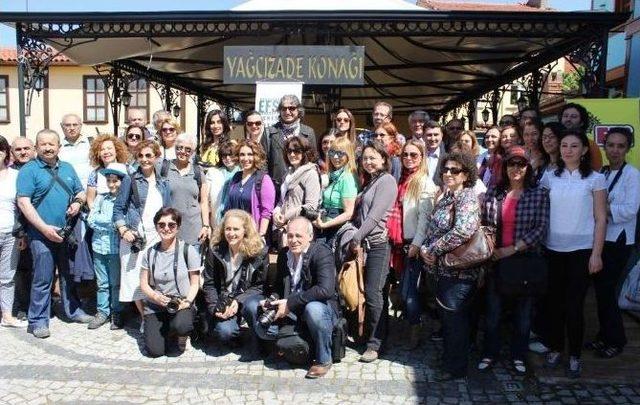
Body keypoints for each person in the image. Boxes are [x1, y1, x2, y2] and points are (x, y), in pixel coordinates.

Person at [539, 129, 606, 378]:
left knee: (574, 306)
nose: (568, 150)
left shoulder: (595, 180)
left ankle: (575, 354)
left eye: (574, 146)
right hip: (552, 249)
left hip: (581, 251)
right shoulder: (549, 176)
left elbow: (600, 219)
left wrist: (596, 254)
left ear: (585, 150)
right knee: (554, 304)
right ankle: (556, 348)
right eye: (564, 145)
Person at [478, 146, 549, 375]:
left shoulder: (538, 194)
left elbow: (540, 229)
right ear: (505, 166)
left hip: (524, 261)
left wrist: (512, 249)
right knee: (493, 313)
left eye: (521, 164)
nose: (516, 168)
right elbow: (482, 223)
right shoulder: (493, 192)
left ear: (528, 168)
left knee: (523, 315)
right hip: (496, 261)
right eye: (512, 164)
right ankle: (490, 353)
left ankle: (518, 355)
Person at [17, 129, 92, 338]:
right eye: (43, 144)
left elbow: (80, 191)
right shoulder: (29, 171)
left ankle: (73, 310)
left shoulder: (67, 168)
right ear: (36, 147)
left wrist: (77, 203)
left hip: (65, 233)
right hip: (41, 235)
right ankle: (38, 320)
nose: (48, 148)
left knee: (68, 275)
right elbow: (24, 202)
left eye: (52, 144)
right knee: (42, 277)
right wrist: (44, 229)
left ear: (59, 146)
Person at [420, 151, 488, 381]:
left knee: (455, 319)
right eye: (446, 169)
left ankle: (455, 368)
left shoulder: (467, 197)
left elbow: (463, 230)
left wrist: (433, 249)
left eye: (454, 170)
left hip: (459, 271)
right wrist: (424, 248)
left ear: (466, 174)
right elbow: (434, 227)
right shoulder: (448, 196)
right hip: (442, 270)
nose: (448, 173)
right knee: (449, 319)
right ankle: (451, 360)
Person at [248, 217, 339, 379]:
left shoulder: (322, 253)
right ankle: (281, 346)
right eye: (290, 236)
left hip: (320, 309)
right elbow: (278, 287)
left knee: (314, 309)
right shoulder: (284, 255)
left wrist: (290, 303)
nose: (293, 240)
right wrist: (272, 299)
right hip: (291, 311)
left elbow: (325, 290)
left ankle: (323, 359)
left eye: (298, 236)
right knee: (253, 307)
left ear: (310, 237)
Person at [588, 127, 640, 359]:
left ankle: (616, 340)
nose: (615, 150)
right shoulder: (604, 172)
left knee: (608, 292)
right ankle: (604, 335)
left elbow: (630, 210)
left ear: (628, 148)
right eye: (611, 145)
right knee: (600, 292)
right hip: (600, 239)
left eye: (621, 146)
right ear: (605, 147)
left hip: (618, 241)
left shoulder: (633, 175)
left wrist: (602, 207)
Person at [113, 140, 172, 330]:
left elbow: (168, 211)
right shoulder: (130, 179)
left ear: (156, 157)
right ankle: (145, 318)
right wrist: (124, 230)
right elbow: (118, 209)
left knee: (153, 278)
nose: (145, 159)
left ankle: (155, 316)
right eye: (141, 156)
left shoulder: (163, 183)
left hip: (156, 237)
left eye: (149, 155)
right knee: (134, 279)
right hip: (134, 237)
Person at [348, 141, 397, 363]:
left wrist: (356, 237)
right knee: (366, 293)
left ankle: (376, 343)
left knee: (374, 294)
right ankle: (367, 335)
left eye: (373, 157)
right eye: (365, 158)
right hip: (366, 245)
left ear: (384, 159)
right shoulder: (370, 181)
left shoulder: (387, 181)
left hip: (378, 244)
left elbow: (375, 216)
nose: (368, 162)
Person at [388, 140, 437, 349]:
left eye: (414, 155)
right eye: (405, 155)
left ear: (422, 157)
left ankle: (416, 329)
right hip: (399, 243)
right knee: (404, 290)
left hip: (414, 246)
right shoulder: (402, 180)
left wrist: (416, 245)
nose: (408, 158)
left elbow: (425, 220)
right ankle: (410, 324)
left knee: (409, 293)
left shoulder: (424, 182)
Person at [139, 208, 200, 357]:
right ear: (156, 227)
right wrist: (155, 297)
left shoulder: (188, 250)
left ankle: (181, 333)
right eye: (162, 225)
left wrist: (187, 301)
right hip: (157, 305)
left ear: (178, 227)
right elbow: (143, 284)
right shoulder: (150, 252)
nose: (166, 228)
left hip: (181, 304)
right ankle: (164, 330)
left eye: (171, 225)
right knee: (155, 351)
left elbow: (195, 283)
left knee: (182, 325)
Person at [202, 209, 268, 345]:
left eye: (236, 229)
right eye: (228, 229)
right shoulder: (215, 251)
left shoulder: (258, 252)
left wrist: (238, 301)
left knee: (251, 306)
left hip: (247, 298)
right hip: (224, 300)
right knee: (224, 332)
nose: (231, 234)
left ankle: (258, 339)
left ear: (245, 230)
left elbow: (259, 286)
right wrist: (216, 308)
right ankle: (235, 332)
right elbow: (209, 284)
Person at [86, 164, 127, 330]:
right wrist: (111, 224)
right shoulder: (101, 198)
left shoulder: (124, 200)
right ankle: (102, 311)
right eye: (109, 181)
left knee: (115, 282)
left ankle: (117, 311)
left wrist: (107, 222)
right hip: (99, 246)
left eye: (115, 181)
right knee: (102, 282)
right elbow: (91, 219)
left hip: (115, 248)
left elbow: (122, 223)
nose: (112, 184)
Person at [162, 132, 211, 246]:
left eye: (188, 149)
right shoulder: (165, 168)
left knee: (193, 263)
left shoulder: (198, 171)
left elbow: (203, 201)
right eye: (179, 148)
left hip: (193, 230)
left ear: (193, 152)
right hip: (169, 228)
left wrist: (206, 226)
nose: (183, 151)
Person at [272, 136, 322, 244]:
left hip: (301, 229)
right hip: (285, 228)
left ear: (305, 152)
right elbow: (282, 200)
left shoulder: (311, 173)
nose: (292, 155)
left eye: (297, 151)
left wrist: (286, 216)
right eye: (289, 151)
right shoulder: (288, 174)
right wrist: (276, 213)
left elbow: (311, 206)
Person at [0, 136, 27, 328]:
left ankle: (7, 315)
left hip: (10, 232)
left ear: (5, 153)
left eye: (0, 150)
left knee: (7, 277)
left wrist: (22, 233)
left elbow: (22, 206)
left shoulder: (16, 176)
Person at [224, 140, 276, 239]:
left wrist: (261, 235)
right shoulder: (236, 177)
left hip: (252, 236)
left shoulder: (263, 179)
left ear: (256, 156)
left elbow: (266, 212)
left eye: (250, 154)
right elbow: (228, 207)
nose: (245, 158)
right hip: (234, 235)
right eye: (242, 154)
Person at [313, 137, 359, 247]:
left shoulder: (347, 178)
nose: (335, 157)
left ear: (349, 155)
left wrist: (325, 225)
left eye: (340, 153)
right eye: (332, 152)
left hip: (336, 229)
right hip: (325, 226)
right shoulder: (333, 175)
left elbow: (349, 213)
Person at [267, 95, 316, 193]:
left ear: (299, 111)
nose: (287, 112)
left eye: (292, 108)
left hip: (300, 187)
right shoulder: (270, 132)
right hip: (275, 187)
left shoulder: (308, 132)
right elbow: (263, 161)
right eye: (283, 108)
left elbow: (313, 159)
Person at [10, 136, 35, 319]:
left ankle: (42, 305)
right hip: (18, 228)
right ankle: (23, 306)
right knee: (21, 270)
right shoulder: (9, 173)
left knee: (42, 270)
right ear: (12, 152)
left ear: (33, 149)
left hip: (40, 227)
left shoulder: (40, 169)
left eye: (26, 148)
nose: (23, 152)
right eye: (18, 149)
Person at [86, 134, 129, 209]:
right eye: (102, 149)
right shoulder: (94, 174)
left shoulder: (128, 169)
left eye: (109, 148)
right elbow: (90, 200)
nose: (106, 152)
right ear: (98, 153)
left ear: (117, 151)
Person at [559, 102, 602, 170]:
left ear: (582, 122)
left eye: (573, 116)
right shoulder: (555, 141)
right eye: (565, 116)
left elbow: (596, 171)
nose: (568, 119)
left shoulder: (591, 145)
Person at [206, 141, 239, 229]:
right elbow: (206, 199)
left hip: (238, 218)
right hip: (217, 220)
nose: (227, 158)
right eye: (224, 156)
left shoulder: (243, 173)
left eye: (230, 155)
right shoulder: (213, 173)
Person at [58, 113, 93, 188]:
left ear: (80, 125)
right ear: (62, 126)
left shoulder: (92, 143)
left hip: (90, 192)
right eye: (68, 125)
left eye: (75, 124)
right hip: (67, 191)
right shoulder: (58, 147)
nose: (72, 128)